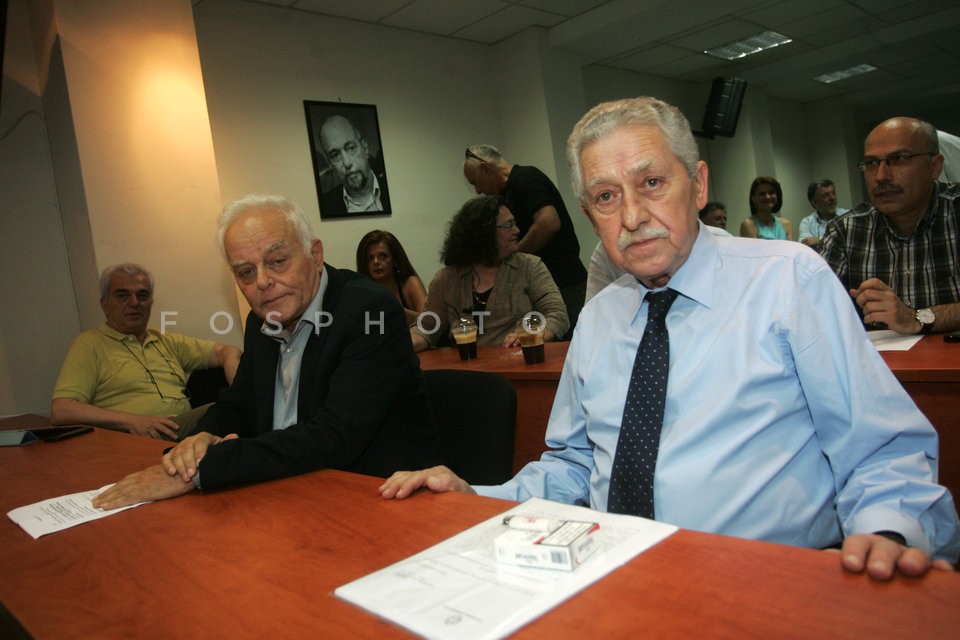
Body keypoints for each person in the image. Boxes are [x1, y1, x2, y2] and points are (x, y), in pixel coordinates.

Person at [381, 97, 960, 580]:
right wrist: (476, 498)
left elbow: (880, 451)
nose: (632, 216)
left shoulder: (789, 281)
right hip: (609, 578)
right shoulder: (599, 318)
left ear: (699, 184)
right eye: (606, 197)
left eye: (652, 182)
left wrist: (887, 534)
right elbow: (575, 466)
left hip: (764, 584)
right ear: (588, 214)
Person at [93, 194, 441, 509]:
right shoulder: (263, 320)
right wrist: (199, 440)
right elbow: (237, 403)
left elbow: (334, 436)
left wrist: (204, 470)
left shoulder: (369, 311)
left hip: (379, 497)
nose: (261, 282)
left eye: (276, 261)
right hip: (287, 492)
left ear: (315, 255)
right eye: (246, 272)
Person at [51, 263, 241, 441]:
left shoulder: (164, 340)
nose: (134, 303)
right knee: (226, 410)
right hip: (135, 438)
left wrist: (238, 387)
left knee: (236, 403)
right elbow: (61, 410)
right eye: (123, 295)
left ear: (150, 302)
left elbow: (226, 351)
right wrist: (131, 421)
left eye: (142, 295)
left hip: (178, 428)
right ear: (105, 304)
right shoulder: (90, 344)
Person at [820, 117, 960, 334]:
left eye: (899, 158)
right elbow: (813, 314)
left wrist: (917, 318)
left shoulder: (955, 211)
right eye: (872, 163)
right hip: (880, 357)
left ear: (935, 166)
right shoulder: (846, 231)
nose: (881, 176)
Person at [410, 195, 569, 351]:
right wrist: (411, 342)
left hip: (516, 359)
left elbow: (557, 314)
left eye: (514, 223)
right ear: (483, 233)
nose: (517, 230)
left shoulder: (530, 266)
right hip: (466, 364)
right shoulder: (446, 279)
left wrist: (533, 334)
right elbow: (427, 327)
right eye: (508, 225)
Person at [464, 145, 587, 338]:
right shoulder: (507, 192)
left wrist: (514, 256)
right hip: (544, 286)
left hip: (565, 283)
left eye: (475, 182)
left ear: (486, 168)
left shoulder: (526, 179)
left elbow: (548, 222)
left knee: (570, 344)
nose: (478, 190)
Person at [318, 115, 391, 217]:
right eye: (335, 155)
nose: (347, 163)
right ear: (329, 163)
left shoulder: (394, 188)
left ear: (365, 148)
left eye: (351, 148)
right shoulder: (326, 206)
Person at [356, 230, 427, 325]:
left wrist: (393, 309)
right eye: (370, 258)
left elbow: (429, 321)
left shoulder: (410, 283)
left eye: (383, 256)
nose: (376, 262)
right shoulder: (360, 292)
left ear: (395, 259)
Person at [739, 176, 793, 240]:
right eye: (762, 194)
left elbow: (790, 247)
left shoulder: (786, 225)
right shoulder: (748, 225)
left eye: (771, 193)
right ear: (753, 199)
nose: (767, 197)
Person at [799, 179, 848, 249]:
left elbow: (850, 242)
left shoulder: (847, 215)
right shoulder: (807, 223)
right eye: (825, 195)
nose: (832, 198)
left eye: (833, 193)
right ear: (814, 202)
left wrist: (820, 240)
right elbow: (805, 246)